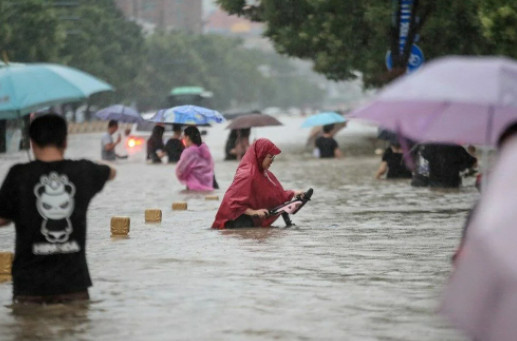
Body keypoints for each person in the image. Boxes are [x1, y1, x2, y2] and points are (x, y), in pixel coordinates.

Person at [0, 114, 116, 304]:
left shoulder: (18, 174)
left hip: (29, 288)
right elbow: (112, 172)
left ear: (31, 142)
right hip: (73, 287)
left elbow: (2, 219)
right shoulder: (83, 171)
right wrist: (100, 166)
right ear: (65, 141)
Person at [212, 138, 304, 229]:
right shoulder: (247, 174)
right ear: (261, 155)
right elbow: (232, 203)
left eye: (273, 157)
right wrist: (253, 212)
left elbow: (276, 195)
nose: (272, 160)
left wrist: (293, 193)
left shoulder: (265, 174)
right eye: (270, 156)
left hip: (252, 222)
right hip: (235, 223)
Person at [175, 126, 216, 191]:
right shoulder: (206, 150)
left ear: (187, 138)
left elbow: (180, 171)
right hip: (208, 187)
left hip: (193, 188)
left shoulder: (189, 152)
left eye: (184, 137)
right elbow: (212, 167)